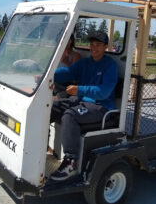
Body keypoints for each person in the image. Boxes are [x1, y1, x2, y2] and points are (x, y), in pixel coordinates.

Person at [50, 32, 118, 181]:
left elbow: (103, 93)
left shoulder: (110, 66)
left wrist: (79, 89)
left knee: (70, 115)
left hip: (100, 106)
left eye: (98, 45)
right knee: (50, 107)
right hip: (80, 100)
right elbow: (67, 72)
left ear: (106, 47)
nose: (94, 48)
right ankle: (39, 145)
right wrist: (48, 74)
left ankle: (71, 161)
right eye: (92, 44)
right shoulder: (85, 63)